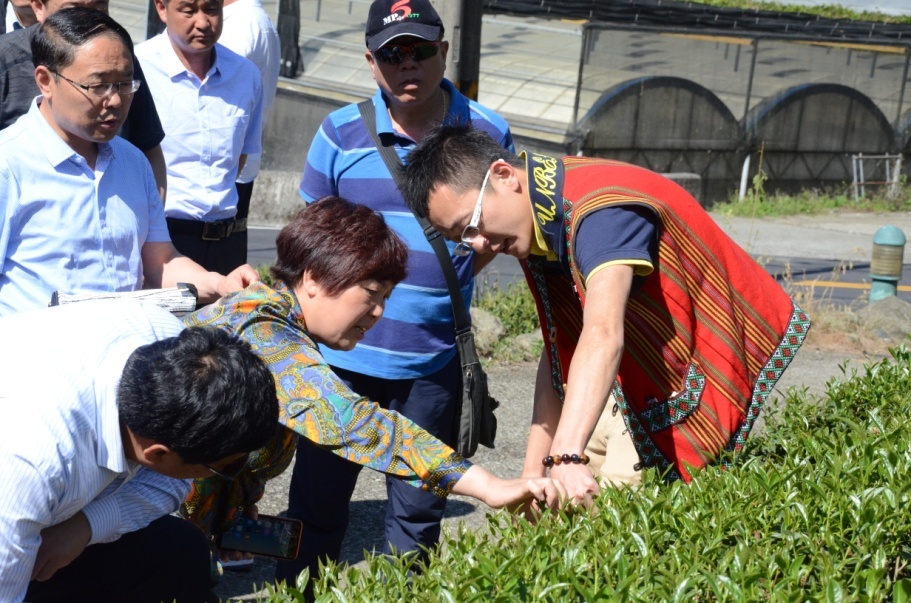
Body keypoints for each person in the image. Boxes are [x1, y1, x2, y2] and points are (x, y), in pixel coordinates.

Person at [402, 124, 812, 503]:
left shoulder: (600, 213)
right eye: (462, 239)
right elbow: (561, 344)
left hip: (685, 364)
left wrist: (565, 455)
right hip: (615, 373)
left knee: (627, 515)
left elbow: (600, 332)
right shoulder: (532, 213)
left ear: (505, 175)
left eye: (472, 224)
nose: (477, 245)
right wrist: (535, 468)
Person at [180, 197, 566, 592]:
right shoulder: (265, 331)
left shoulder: (278, 321)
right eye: (370, 291)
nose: (379, 311)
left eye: (386, 297)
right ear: (312, 278)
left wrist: (231, 505)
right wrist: (487, 486)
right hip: (147, 523)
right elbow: (355, 422)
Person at [284, 0, 515, 581]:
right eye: (392, 54)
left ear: (443, 51)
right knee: (314, 508)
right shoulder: (338, 132)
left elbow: (498, 237)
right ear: (371, 61)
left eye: (418, 50)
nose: (406, 64)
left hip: (433, 362)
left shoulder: (488, 132)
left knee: (417, 516)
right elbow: (310, 245)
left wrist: (448, 293)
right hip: (341, 361)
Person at [0, 299, 279, 603]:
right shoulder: (32, 461)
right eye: (223, 468)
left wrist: (86, 526)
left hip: (47, 514)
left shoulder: (173, 346)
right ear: (157, 454)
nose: (227, 475)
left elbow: (172, 483)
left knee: (180, 550)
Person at [0, 7, 257, 317]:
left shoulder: (133, 162)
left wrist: (219, 283)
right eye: (98, 86)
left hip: (128, 354)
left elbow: (160, 260)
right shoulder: (9, 164)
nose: (116, 101)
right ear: (45, 80)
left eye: (124, 84)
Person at [137, 0, 264, 274]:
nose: (204, 22)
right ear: (161, 8)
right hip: (162, 240)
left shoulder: (245, 75)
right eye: (188, 10)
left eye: (211, 9)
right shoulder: (138, 69)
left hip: (227, 243)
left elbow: (240, 158)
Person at [0, 0, 168, 199]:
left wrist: (150, 216)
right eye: (97, 85)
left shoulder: (119, 57)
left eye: (99, 8)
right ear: (38, 6)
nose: (90, 21)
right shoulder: (6, 61)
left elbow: (149, 147)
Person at [218, 0, 279, 265]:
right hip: (235, 166)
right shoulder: (254, 19)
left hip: (225, 168)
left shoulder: (241, 23)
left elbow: (219, 97)